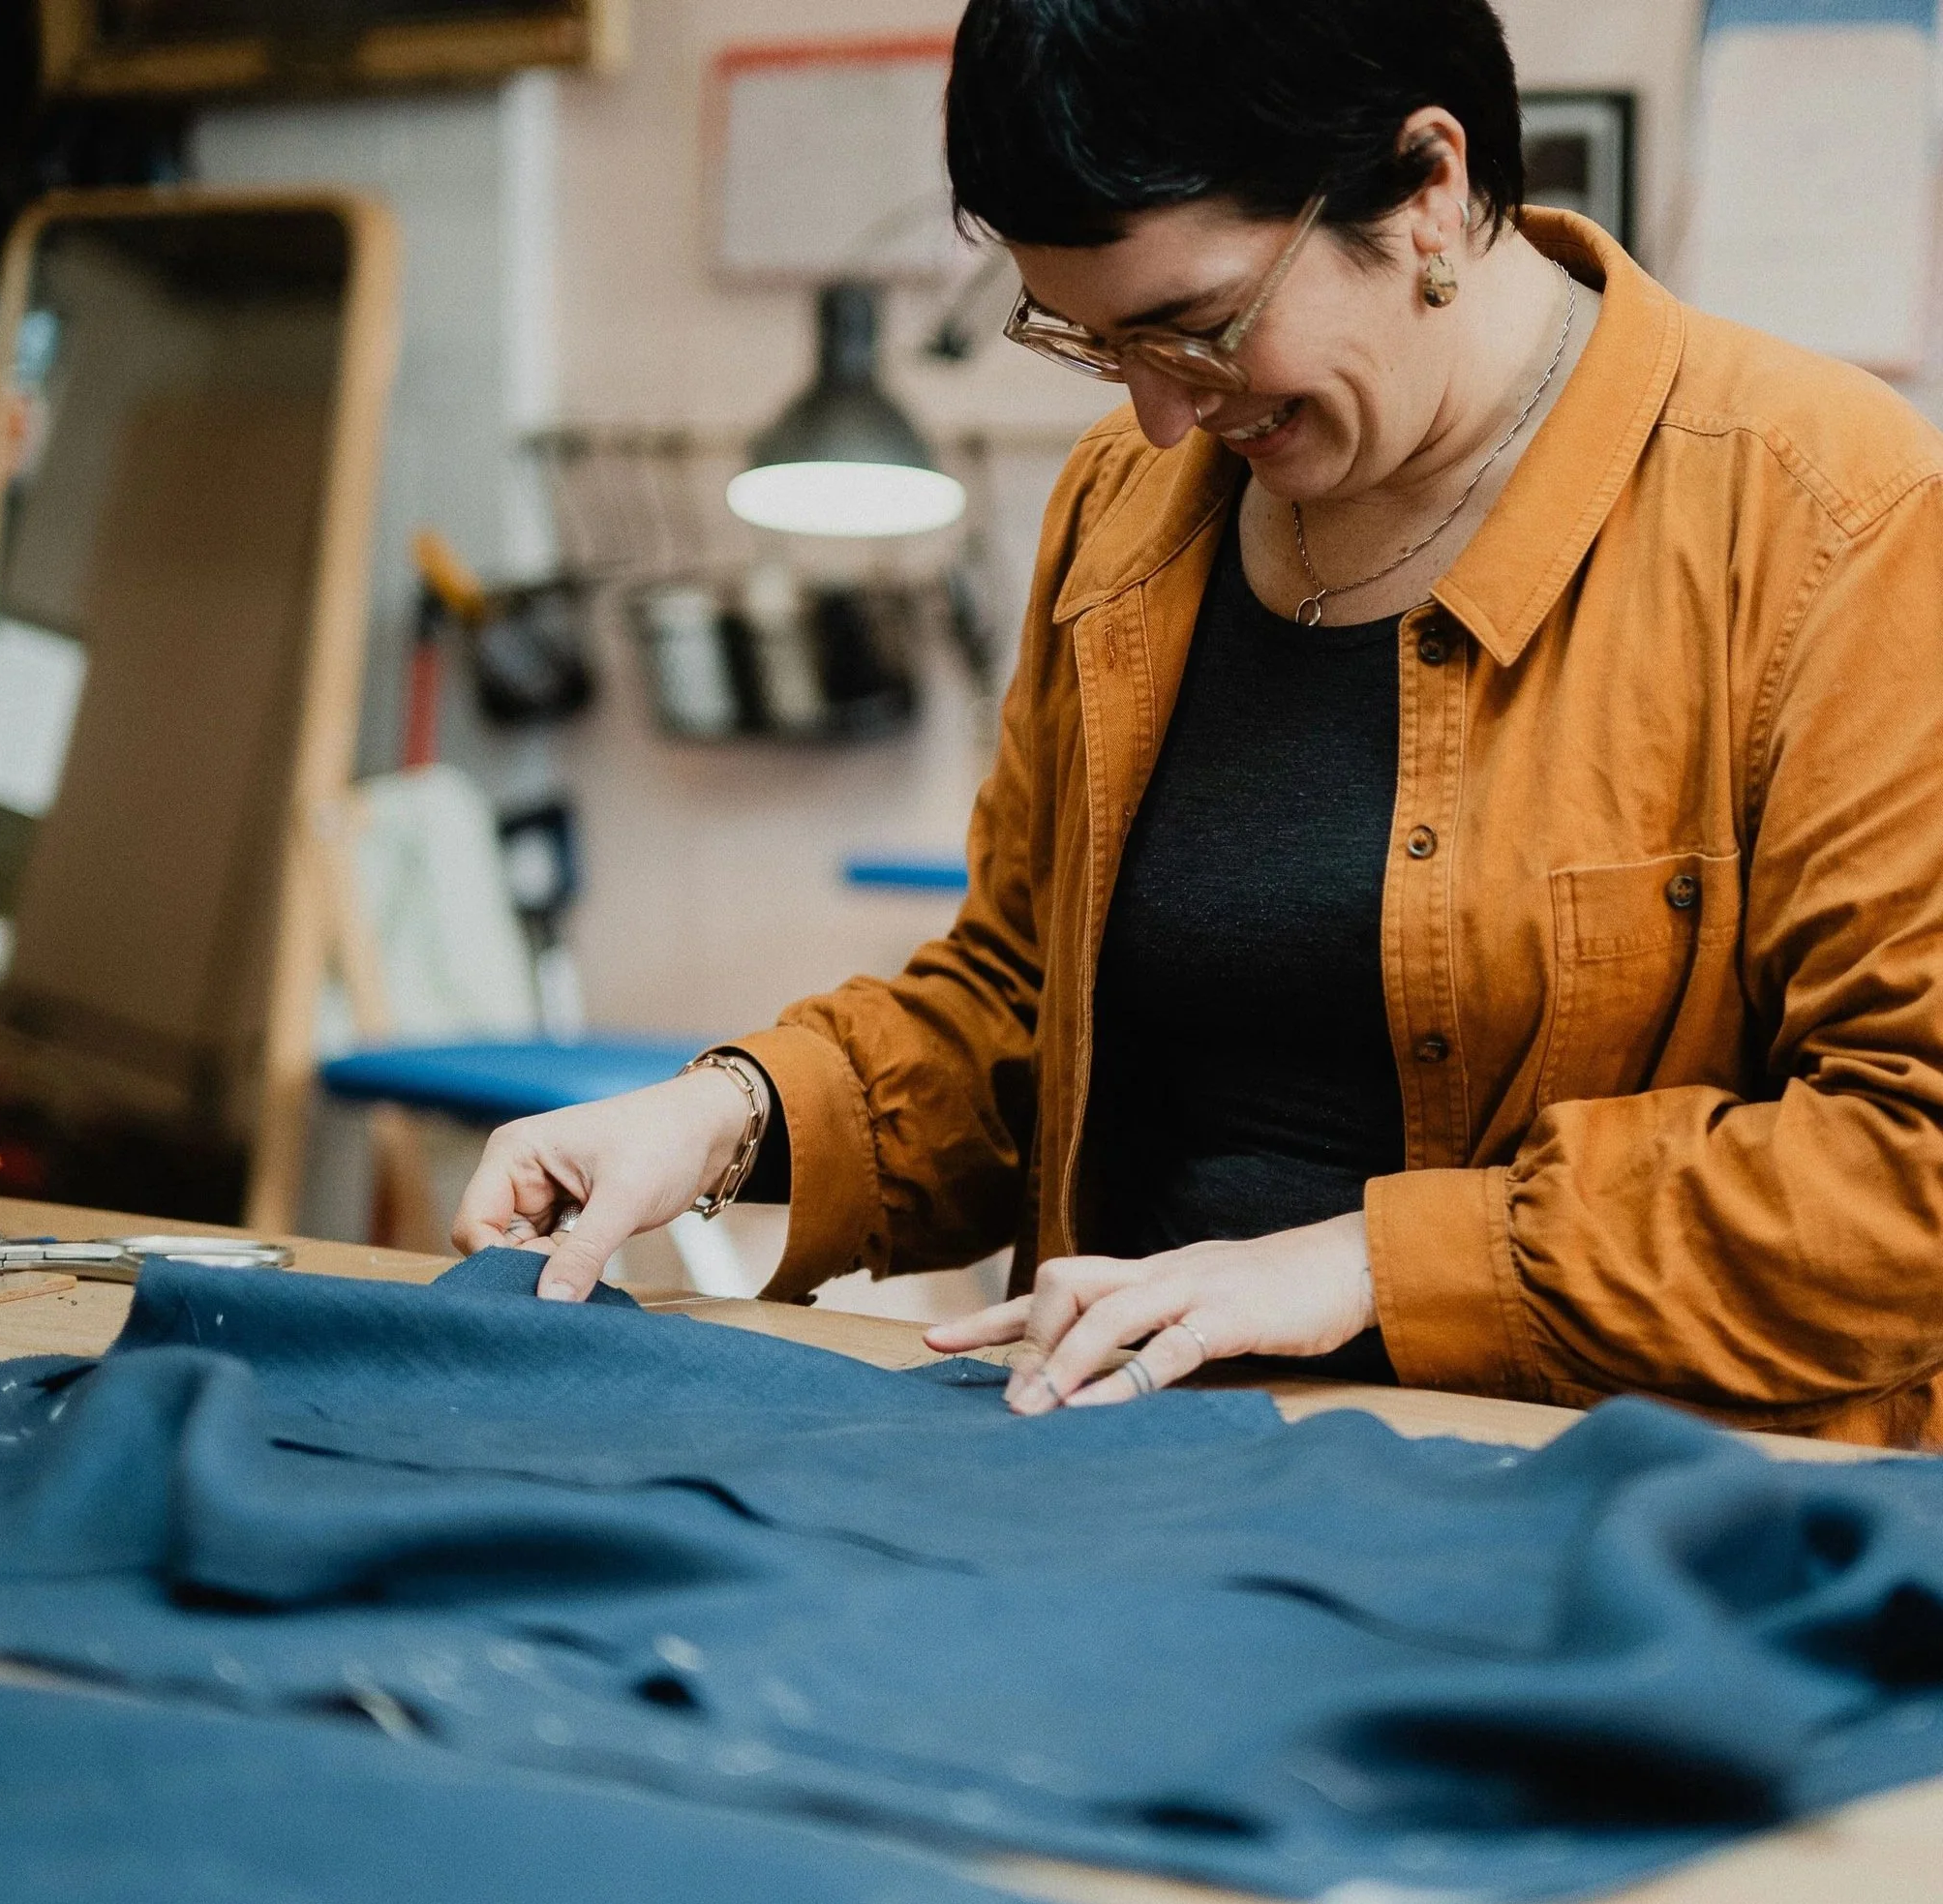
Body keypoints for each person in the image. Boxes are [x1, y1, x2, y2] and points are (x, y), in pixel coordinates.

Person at [456, 0, 1943, 1450]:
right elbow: (1024, 1007)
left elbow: (1909, 1172)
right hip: (1128, 1469)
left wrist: (1365, 1263)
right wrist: (727, 1120)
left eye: (1199, 329)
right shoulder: (1126, 510)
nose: (1165, 420)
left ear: (1430, 186)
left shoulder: (1830, 524)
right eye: (1094, 343)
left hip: (1588, 1509)